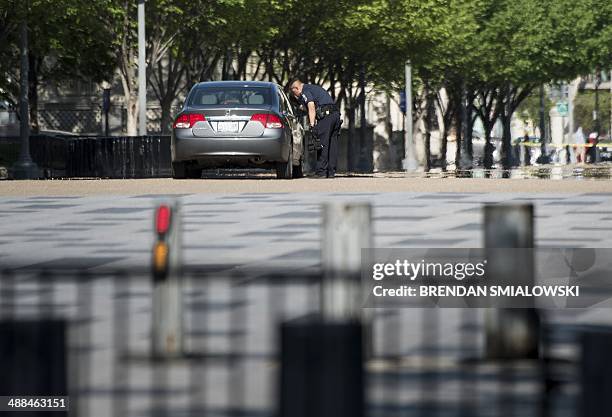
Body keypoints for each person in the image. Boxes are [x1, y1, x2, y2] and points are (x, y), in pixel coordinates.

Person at [290, 78, 341, 178]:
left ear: (296, 88)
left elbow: (311, 106)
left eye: (294, 93)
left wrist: (312, 124)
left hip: (326, 117)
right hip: (335, 115)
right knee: (332, 145)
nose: (295, 96)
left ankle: (321, 172)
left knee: (322, 144)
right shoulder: (313, 88)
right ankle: (331, 172)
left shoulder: (305, 91)